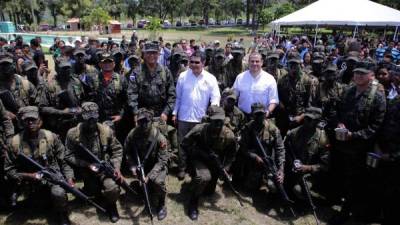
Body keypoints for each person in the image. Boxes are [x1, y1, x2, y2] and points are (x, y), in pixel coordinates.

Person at [331, 60, 386, 224]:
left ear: (371, 76)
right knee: (343, 178)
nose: (358, 76)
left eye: (362, 73)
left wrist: (354, 135)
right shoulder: (349, 91)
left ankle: (348, 213)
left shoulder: (377, 97)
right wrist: (339, 123)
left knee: (356, 183)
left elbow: (375, 127)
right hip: (343, 145)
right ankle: (343, 207)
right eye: (356, 73)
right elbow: (337, 109)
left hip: (360, 148)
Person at [4, 106, 73, 225]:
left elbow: (64, 161)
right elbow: (9, 170)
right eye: (27, 120)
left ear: (40, 121)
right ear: (22, 122)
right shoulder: (14, 142)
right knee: (35, 205)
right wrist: (29, 175)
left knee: (59, 193)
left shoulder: (51, 137)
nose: (30, 122)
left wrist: (69, 178)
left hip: (51, 179)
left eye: (33, 119)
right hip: (28, 183)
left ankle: (63, 215)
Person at [64, 102, 123, 222]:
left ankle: (112, 205)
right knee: (91, 193)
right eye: (88, 119)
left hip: (103, 171)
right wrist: (86, 164)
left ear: (98, 117)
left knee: (112, 188)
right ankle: (90, 191)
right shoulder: (73, 134)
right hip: (84, 171)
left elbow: (117, 150)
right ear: (81, 117)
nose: (91, 122)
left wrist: (116, 168)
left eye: (94, 119)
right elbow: (68, 155)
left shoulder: (106, 131)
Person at [180, 106, 236, 220]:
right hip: (198, 160)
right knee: (204, 178)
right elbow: (184, 144)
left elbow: (231, 154)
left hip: (215, 163)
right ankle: (193, 203)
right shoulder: (199, 129)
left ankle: (196, 184)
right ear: (209, 120)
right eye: (215, 121)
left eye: (221, 121)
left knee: (209, 192)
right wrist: (200, 153)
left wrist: (226, 168)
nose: (218, 125)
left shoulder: (229, 135)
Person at [172, 50, 221, 180]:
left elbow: (215, 97)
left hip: (201, 119)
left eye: (196, 62)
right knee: (182, 144)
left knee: (198, 146)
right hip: (184, 117)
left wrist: (212, 111)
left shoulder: (210, 78)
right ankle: (182, 168)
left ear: (204, 63)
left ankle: (195, 169)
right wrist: (175, 113)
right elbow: (178, 97)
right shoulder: (183, 76)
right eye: (191, 62)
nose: (193, 65)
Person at [124, 108, 169, 220]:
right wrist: (133, 166)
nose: (143, 125)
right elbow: (127, 152)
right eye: (141, 122)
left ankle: (161, 204)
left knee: (157, 182)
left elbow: (163, 159)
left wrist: (149, 176)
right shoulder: (132, 134)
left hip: (157, 166)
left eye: (146, 121)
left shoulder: (158, 136)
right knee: (142, 188)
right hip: (141, 167)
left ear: (151, 121)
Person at [283, 107, 330, 201]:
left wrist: (307, 168)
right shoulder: (293, 133)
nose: (306, 121)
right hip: (291, 170)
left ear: (317, 121)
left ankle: (307, 200)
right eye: (306, 118)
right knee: (273, 184)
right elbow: (283, 152)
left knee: (299, 190)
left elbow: (325, 166)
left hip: (309, 176)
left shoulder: (322, 139)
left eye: (310, 120)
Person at [237, 103, 285, 192]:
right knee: (249, 187)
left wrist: (281, 170)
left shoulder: (273, 129)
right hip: (253, 161)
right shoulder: (248, 128)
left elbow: (280, 150)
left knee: (273, 187)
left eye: (261, 114)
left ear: (265, 113)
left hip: (268, 161)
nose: (259, 117)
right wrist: (254, 156)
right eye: (257, 114)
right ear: (252, 115)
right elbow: (243, 148)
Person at [127, 41, 176, 124]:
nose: (151, 56)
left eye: (154, 53)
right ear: (144, 54)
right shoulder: (136, 72)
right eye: (148, 53)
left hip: (161, 115)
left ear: (158, 54)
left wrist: (166, 112)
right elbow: (131, 94)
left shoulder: (165, 71)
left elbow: (172, 95)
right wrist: (136, 112)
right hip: (142, 115)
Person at [37, 60, 84, 140]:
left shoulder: (76, 82)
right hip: (58, 125)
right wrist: (61, 112)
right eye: (63, 68)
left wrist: (81, 109)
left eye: (68, 68)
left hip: (76, 123)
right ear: (57, 69)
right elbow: (42, 108)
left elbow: (84, 99)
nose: (67, 70)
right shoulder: (49, 85)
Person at [276, 51, 317, 135]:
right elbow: (277, 98)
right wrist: (281, 104)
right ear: (287, 64)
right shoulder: (281, 80)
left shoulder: (307, 81)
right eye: (291, 64)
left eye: (296, 64)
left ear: (300, 64)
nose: (293, 67)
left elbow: (310, 104)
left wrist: (301, 117)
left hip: (301, 118)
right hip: (285, 117)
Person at [233, 52, 279, 119]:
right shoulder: (240, 77)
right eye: (252, 61)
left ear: (262, 62)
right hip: (243, 117)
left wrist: (268, 112)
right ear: (248, 62)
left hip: (261, 117)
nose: (254, 64)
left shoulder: (270, 79)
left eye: (257, 61)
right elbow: (234, 96)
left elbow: (274, 101)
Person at [0, 53, 37, 129]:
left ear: (14, 65)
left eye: (7, 65)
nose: (5, 68)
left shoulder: (25, 83)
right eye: (2, 65)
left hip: (26, 125)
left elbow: (38, 103)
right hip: (4, 127)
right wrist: (4, 113)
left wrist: (28, 112)